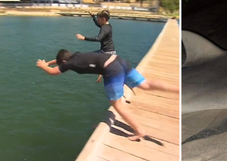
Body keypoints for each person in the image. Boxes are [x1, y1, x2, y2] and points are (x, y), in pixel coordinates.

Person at [37, 49, 179, 141]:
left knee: (117, 104)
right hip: (119, 61)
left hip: (112, 71)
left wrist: (43, 65)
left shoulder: (69, 63)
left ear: (64, 62)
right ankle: (177, 89)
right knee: (145, 84)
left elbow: (53, 72)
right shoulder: (78, 55)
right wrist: (49, 62)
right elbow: (61, 62)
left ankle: (140, 131)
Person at [76, 10, 115, 83]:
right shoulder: (106, 25)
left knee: (91, 60)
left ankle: (102, 71)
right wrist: (93, 16)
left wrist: (84, 38)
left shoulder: (105, 28)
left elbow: (98, 38)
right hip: (106, 51)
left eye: (98, 19)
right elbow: (98, 24)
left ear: (103, 19)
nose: (97, 20)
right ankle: (102, 71)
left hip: (107, 53)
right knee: (88, 56)